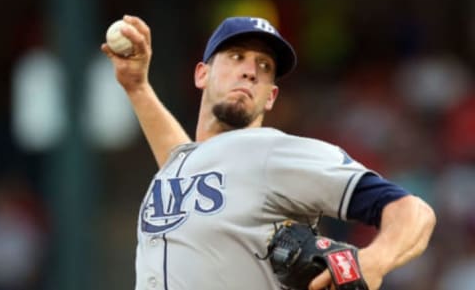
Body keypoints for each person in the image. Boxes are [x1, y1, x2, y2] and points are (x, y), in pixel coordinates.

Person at [102, 15, 436, 290]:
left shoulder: (276, 153)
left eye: (263, 66)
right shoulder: (187, 166)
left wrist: (376, 259)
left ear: (271, 96)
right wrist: (137, 87)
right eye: (236, 57)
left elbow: (412, 210)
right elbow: (187, 163)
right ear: (202, 74)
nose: (250, 70)